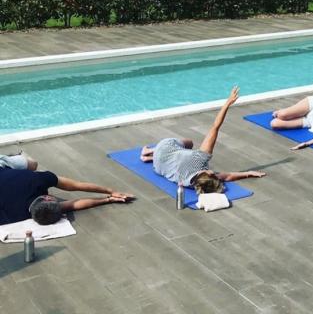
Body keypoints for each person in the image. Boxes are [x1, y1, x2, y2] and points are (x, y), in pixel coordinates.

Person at [140, 86, 265, 193]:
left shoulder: (200, 158)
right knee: (181, 153)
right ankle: (149, 156)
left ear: (210, 174)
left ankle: (149, 151)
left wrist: (228, 103)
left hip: (164, 148)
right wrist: (247, 173)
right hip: (158, 167)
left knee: (189, 143)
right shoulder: (188, 183)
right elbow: (227, 176)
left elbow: (215, 126)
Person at [0, 167, 134, 226]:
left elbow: (76, 188)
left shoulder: (36, 180)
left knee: (29, 164)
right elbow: (75, 193)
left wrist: (110, 195)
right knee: (30, 164)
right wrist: (108, 196)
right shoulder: (17, 215)